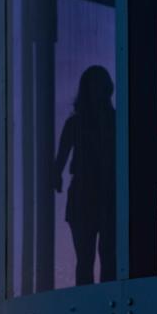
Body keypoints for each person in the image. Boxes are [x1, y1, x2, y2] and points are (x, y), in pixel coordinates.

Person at [53, 65, 116, 285]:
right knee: (87, 258)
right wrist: (56, 175)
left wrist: (57, 175)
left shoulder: (113, 122)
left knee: (107, 257)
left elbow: (59, 161)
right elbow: (60, 158)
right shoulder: (78, 123)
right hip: (85, 196)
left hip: (104, 195)